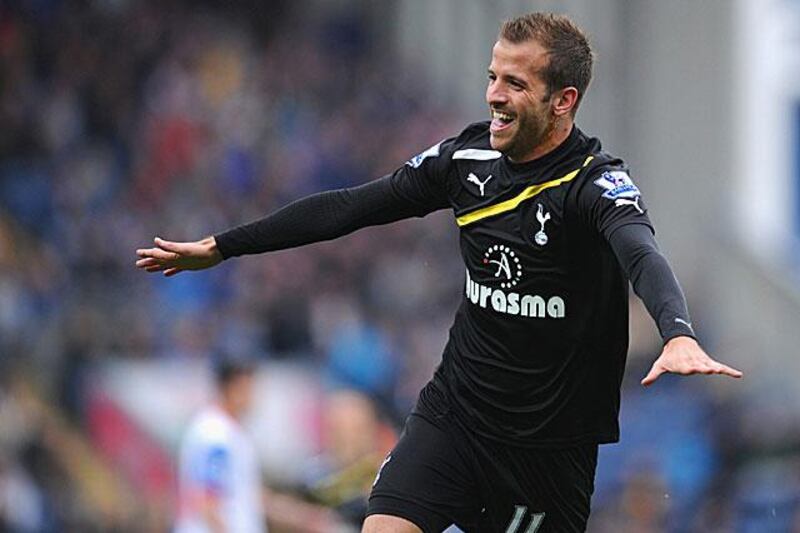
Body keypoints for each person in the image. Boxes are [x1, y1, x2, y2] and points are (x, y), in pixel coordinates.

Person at [138, 12, 743, 533]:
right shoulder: (465, 160)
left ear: (564, 100)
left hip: (546, 452)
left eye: (515, 82)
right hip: (455, 417)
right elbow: (353, 206)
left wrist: (678, 330)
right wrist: (224, 245)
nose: (494, 95)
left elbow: (640, 250)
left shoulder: (592, 184)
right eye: (491, 77)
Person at [175, 354, 266, 533]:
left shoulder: (232, 432)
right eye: (248, 388)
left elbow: (248, 496)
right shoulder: (214, 435)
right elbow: (206, 501)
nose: (253, 396)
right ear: (231, 388)